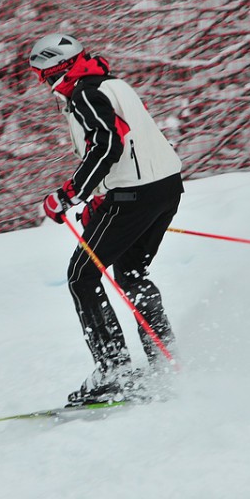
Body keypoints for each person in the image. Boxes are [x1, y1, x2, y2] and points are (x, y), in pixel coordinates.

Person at [28, 33, 184, 407]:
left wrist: (70, 193)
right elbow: (130, 144)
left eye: (40, 74)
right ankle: (165, 360)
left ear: (56, 68)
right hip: (165, 190)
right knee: (131, 275)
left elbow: (107, 145)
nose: (42, 82)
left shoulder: (83, 93)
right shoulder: (112, 83)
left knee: (82, 275)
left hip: (133, 197)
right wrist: (100, 197)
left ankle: (114, 371)